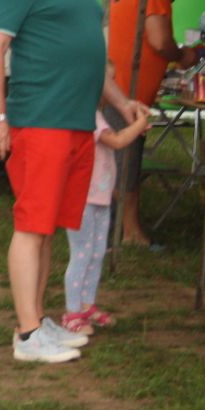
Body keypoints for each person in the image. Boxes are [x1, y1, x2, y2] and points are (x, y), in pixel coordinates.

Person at [0, 0, 148, 365]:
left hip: (76, 124)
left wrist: (121, 101)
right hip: (41, 120)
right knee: (32, 225)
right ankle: (28, 333)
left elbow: (89, 55)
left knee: (48, 227)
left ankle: (36, 319)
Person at [106, 0, 201, 247]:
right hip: (126, 93)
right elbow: (159, 41)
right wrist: (182, 55)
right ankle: (130, 233)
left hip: (115, 87)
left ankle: (118, 229)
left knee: (119, 162)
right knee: (126, 164)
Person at [62, 98, 151, 335]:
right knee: (81, 254)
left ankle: (87, 305)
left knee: (97, 252)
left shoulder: (95, 114)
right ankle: (72, 312)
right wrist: (139, 125)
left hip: (97, 195)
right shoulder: (89, 115)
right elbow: (117, 141)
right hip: (83, 197)